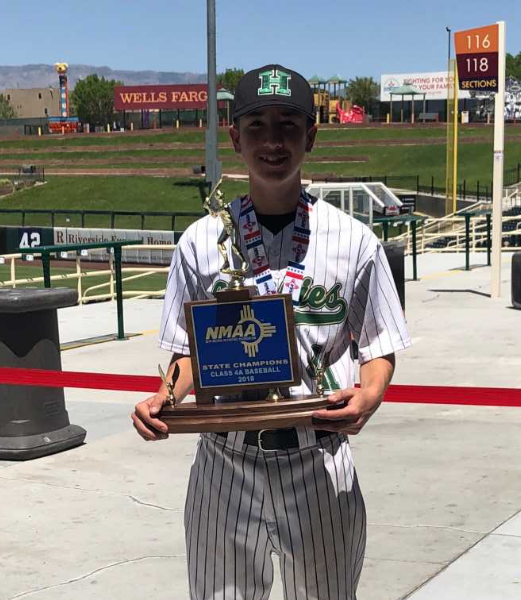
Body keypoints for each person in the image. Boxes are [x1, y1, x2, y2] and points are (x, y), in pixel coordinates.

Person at [132, 64, 411, 600]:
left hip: (318, 457)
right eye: (257, 125)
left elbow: (379, 345)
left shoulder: (354, 241)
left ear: (311, 135)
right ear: (235, 137)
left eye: (288, 124)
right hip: (224, 463)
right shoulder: (201, 242)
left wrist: (370, 395)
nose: (273, 141)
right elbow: (187, 354)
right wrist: (163, 396)